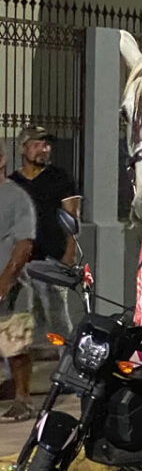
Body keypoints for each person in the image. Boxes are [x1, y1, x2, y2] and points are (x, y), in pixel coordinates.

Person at [8, 126, 79, 355]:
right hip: (19, 262)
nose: (44, 150)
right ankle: (18, 374)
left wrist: (69, 252)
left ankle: (68, 368)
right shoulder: (12, 183)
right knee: (18, 319)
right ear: (23, 148)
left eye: (46, 145)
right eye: (37, 144)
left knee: (58, 319)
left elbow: (71, 217)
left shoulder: (60, 178)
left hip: (51, 259)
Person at [0, 148, 37, 422]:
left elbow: (24, 244)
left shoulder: (16, 197)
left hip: (12, 288)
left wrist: (6, 279)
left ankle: (23, 400)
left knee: (15, 347)